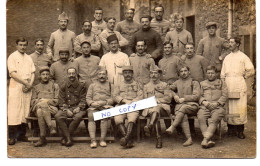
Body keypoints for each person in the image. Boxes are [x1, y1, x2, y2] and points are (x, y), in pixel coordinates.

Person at [221, 36, 255, 139]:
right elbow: (223, 73)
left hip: (238, 83)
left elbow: (251, 69)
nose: (230, 44)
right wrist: (223, 83)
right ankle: (230, 130)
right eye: (229, 42)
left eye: (232, 42)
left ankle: (240, 131)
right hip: (228, 83)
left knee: (239, 107)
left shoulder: (243, 57)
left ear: (237, 44)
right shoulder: (227, 57)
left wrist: (244, 76)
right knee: (229, 107)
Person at [7, 37, 35, 145]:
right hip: (16, 86)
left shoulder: (29, 58)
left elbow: (33, 72)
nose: (23, 47)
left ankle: (22, 135)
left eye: (24, 45)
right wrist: (26, 83)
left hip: (27, 87)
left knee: (25, 111)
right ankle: (12, 137)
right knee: (14, 111)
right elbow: (13, 74)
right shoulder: (12, 57)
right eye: (20, 45)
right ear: (17, 45)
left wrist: (30, 85)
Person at [166, 65, 200, 147]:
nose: (183, 73)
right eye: (181, 71)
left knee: (183, 108)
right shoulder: (177, 82)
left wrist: (184, 98)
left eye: (185, 71)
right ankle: (189, 139)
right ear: (179, 73)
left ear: (189, 72)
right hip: (180, 107)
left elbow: (197, 96)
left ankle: (172, 126)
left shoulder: (194, 82)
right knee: (183, 115)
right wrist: (175, 95)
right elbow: (168, 89)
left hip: (192, 106)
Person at [55, 67, 87, 147]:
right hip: (67, 107)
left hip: (78, 108)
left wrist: (79, 107)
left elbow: (83, 99)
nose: (71, 75)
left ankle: (65, 138)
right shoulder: (63, 86)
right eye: (69, 74)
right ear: (67, 75)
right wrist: (66, 110)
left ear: (76, 74)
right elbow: (61, 100)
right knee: (58, 116)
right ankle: (68, 138)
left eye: (73, 73)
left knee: (78, 117)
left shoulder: (82, 86)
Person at [198, 65, 228, 148]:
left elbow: (225, 95)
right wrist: (204, 102)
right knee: (200, 117)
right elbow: (199, 95)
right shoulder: (202, 83)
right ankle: (208, 140)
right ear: (206, 74)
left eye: (212, 73)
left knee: (214, 119)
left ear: (216, 74)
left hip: (218, 107)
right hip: (205, 106)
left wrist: (217, 103)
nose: (210, 75)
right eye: (208, 73)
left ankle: (205, 139)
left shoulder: (221, 82)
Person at [113, 66, 143, 148]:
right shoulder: (119, 84)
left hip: (133, 105)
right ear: (123, 74)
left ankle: (125, 138)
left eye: (129, 73)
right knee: (118, 119)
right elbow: (115, 96)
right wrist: (124, 101)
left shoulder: (137, 84)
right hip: (121, 105)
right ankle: (128, 139)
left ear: (132, 74)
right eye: (125, 73)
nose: (127, 75)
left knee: (132, 118)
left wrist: (133, 101)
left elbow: (141, 96)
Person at [142, 65, 172, 148]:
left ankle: (150, 125)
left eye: (155, 73)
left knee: (157, 108)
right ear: (150, 75)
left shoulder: (165, 85)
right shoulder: (146, 86)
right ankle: (158, 139)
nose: (153, 75)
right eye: (151, 73)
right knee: (155, 112)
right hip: (149, 109)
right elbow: (144, 100)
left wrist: (158, 100)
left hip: (163, 108)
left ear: (159, 75)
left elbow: (168, 99)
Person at [31, 66, 59, 147]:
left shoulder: (55, 86)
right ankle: (51, 127)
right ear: (40, 76)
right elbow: (33, 101)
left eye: (47, 74)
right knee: (40, 109)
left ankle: (42, 138)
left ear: (49, 75)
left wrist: (46, 101)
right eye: (43, 74)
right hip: (38, 108)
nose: (45, 76)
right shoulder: (36, 87)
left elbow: (57, 101)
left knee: (41, 109)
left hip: (52, 109)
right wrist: (41, 101)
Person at [86, 66, 113, 148]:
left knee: (104, 117)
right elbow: (88, 98)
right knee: (91, 116)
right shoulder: (92, 85)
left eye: (103, 74)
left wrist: (105, 102)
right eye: (99, 74)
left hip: (105, 106)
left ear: (106, 75)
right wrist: (92, 103)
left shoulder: (110, 85)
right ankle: (93, 140)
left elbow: (113, 98)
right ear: (97, 76)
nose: (101, 76)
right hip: (94, 106)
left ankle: (102, 139)